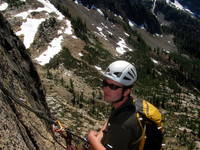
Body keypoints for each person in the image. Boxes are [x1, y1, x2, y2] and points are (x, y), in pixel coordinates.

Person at [87, 60, 143, 150]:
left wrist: (93, 139)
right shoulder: (124, 106)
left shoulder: (124, 124)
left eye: (113, 87)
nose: (105, 89)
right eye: (105, 84)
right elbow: (110, 120)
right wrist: (100, 136)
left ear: (126, 91)